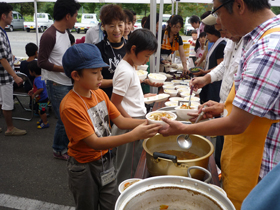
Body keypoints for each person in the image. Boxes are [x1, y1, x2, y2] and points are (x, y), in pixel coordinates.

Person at [160, 0, 280, 208]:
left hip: (260, 173)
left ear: (240, 6)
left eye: (218, 12)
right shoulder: (257, 40)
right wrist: (224, 108)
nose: (218, 22)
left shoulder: (269, 49)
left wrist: (184, 128)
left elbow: (236, 124)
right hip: (245, 156)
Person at [60, 43, 160, 210]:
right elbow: (94, 142)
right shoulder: (70, 106)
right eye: (94, 73)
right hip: (84, 168)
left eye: (101, 71)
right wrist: (135, 135)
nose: (101, 77)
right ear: (76, 75)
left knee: (111, 204)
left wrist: (151, 123)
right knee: (87, 206)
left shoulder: (99, 94)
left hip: (106, 161)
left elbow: (120, 121)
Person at [190, 14, 243, 169]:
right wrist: (206, 78)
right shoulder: (232, 42)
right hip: (225, 110)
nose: (222, 33)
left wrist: (186, 129)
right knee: (221, 156)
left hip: (236, 119)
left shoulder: (255, 46)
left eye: (224, 29)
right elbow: (225, 66)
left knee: (232, 163)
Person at [111, 29, 158, 185]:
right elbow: (114, 103)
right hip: (129, 124)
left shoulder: (130, 67)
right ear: (133, 49)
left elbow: (126, 97)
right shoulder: (125, 71)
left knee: (133, 165)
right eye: (146, 56)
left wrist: (142, 98)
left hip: (133, 121)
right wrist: (131, 123)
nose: (146, 61)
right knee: (128, 172)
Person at [38, 0, 81, 160]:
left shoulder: (65, 33)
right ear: (67, 16)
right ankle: (58, 149)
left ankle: (65, 146)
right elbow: (41, 62)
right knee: (64, 120)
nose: (76, 19)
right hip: (56, 84)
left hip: (68, 82)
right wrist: (66, 69)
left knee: (68, 118)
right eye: (75, 16)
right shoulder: (49, 35)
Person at [0, 2, 26, 136]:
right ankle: (10, 128)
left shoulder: (2, 32)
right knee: (7, 103)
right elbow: (2, 59)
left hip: (2, 75)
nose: (12, 17)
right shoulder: (0, 33)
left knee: (1, 102)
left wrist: (10, 56)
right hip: (4, 76)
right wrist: (15, 76)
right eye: (11, 15)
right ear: (3, 16)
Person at [96, 4, 126, 99]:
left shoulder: (130, 47)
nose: (117, 30)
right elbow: (96, 81)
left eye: (120, 25)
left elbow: (138, 72)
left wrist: (146, 80)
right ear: (104, 26)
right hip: (107, 99)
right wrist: (116, 81)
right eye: (112, 26)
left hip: (128, 98)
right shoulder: (98, 49)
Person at [195, 24, 226, 104]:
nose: (207, 37)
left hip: (215, 84)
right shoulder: (214, 44)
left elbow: (220, 66)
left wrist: (205, 72)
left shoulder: (221, 46)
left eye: (208, 35)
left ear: (214, 33)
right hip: (210, 81)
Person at [28, 60, 49, 129]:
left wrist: (34, 93)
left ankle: (45, 123)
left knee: (42, 111)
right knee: (40, 110)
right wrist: (32, 90)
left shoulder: (38, 79)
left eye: (29, 71)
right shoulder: (39, 77)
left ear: (33, 71)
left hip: (43, 99)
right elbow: (37, 87)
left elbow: (41, 89)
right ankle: (43, 120)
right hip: (41, 98)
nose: (29, 72)